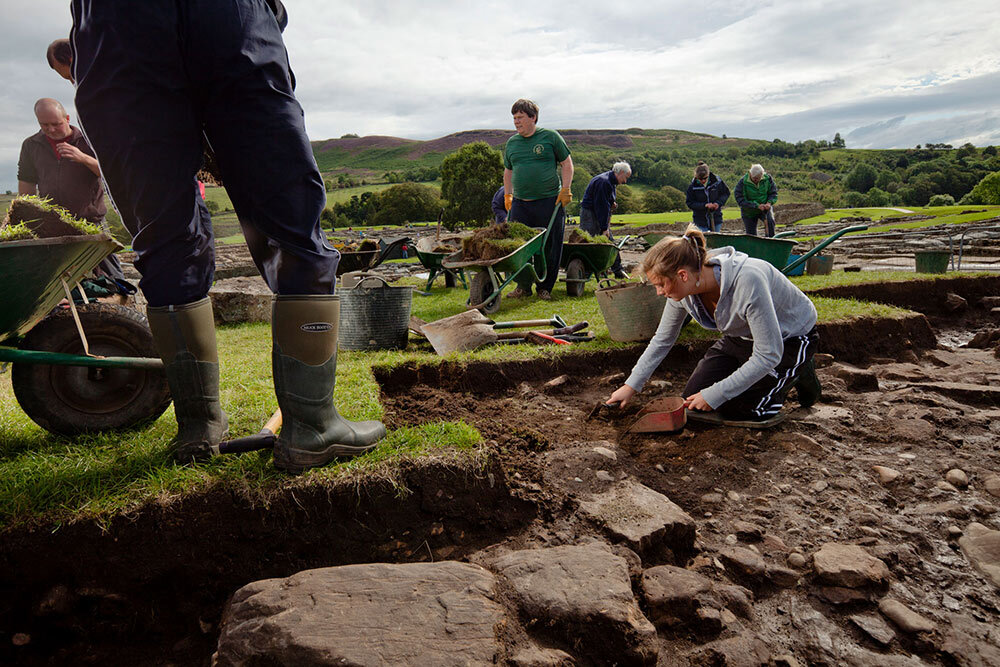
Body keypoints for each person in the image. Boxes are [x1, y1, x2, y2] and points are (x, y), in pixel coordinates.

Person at [69, 0, 385, 472]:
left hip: (117, 25)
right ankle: (311, 426)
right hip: (226, 19)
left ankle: (199, 428)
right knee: (290, 218)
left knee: (162, 233)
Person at [607, 225, 821, 423]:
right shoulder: (683, 293)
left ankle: (800, 371)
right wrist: (631, 385)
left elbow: (768, 354)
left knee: (740, 409)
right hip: (741, 338)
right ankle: (773, 374)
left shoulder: (748, 281)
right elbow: (662, 340)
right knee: (694, 403)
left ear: (682, 275)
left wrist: (715, 394)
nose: (659, 292)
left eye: (661, 284)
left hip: (788, 339)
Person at [17, 98, 127, 289]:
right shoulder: (31, 145)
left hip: (91, 222)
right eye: (44, 125)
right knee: (60, 278)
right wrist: (27, 217)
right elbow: (26, 182)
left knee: (113, 279)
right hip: (52, 223)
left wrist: (83, 158)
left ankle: (124, 310)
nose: (51, 129)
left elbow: (113, 173)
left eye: (56, 124)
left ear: (67, 118)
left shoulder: (88, 139)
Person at [502, 99, 573, 301]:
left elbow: (567, 163)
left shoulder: (550, 137)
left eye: (520, 117)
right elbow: (508, 171)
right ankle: (523, 286)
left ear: (533, 118)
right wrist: (508, 195)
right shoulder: (512, 143)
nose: (516, 122)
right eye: (514, 118)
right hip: (521, 204)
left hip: (549, 201)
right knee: (518, 245)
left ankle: (545, 287)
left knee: (550, 246)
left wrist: (566, 189)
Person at [580, 161, 631, 279]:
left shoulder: (610, 182)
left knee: (610, 242)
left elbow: (605, 201)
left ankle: (618, 270)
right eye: (626, 177)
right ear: (621, 172)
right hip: (590, 214)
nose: (625, 181)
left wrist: (611, 202)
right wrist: (604, 228)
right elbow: (601, 206)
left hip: (597, 212)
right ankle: (585, 272)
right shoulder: (604, 182)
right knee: (589, 241)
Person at [734, 164, 778, 237]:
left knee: (770, 225)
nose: (756, 180)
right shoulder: (743, 182)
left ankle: (770, 244)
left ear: (762, 175)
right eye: (754, 178)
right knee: (751, 235)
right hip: (749, 212)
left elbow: (773, 193)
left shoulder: (768, 179)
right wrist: (756, 205)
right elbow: (740, 200)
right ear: (750, 174)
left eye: (758, 178)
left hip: (765, 209)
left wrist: (769, 203)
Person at [685, 162, 730, 233]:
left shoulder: (717, 182)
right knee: (703, 241)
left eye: (705, 178)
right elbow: (690, 203)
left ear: (708, 175)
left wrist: (717, 203)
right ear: (696, 176)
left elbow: (726, 193)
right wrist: (704, 205)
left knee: (715, 240)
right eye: (700, 179)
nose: (703, 180)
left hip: (716, 218)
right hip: (700, 220)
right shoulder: (692, 187)